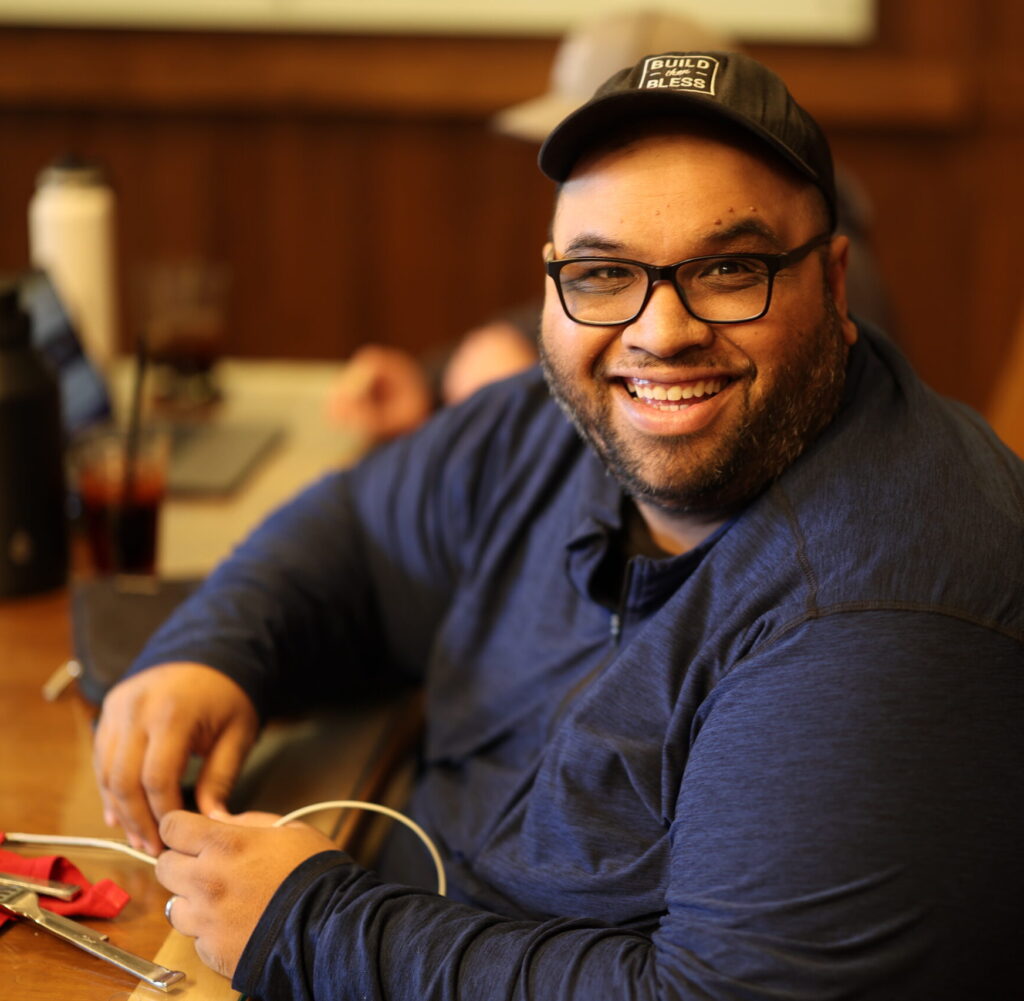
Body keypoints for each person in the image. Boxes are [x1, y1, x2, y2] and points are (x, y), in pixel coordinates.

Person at [93, 49, 1024, 1000]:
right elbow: (360, 532)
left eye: (730, 268)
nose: (661, 331)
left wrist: (311, 927)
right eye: (604, 272)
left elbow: (718, 996)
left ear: (833, 284)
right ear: (551, 283)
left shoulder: (885, 611)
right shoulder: (554, 421)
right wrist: (212, 651)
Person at [330, 9, 894, 442]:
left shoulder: (825, 282)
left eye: (726, 270)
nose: (662, 329)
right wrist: (432, 376)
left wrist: (522, 400)